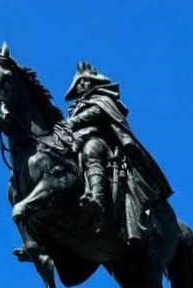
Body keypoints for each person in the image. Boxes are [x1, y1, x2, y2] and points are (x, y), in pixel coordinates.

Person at [64, 62, 173, 239]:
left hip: (101, 144)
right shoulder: (74, 108)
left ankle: (97, 199)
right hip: (76, 143)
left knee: (91, 150)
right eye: (79, 83)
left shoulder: (103, 99)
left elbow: (97, 113)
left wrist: (73, 122)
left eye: (85, 81)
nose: (81, 84)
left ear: (93, 82)